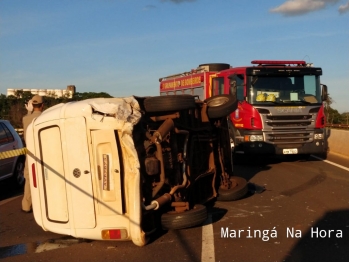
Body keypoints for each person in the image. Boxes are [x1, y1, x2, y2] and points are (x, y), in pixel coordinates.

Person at [21, 95, 44, 213]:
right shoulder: (45, 117)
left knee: (29, 178)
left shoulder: (26, 119)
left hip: (30, 152)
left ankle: (26, 205)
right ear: (42, 105)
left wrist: (28, 112)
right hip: (44, 152)